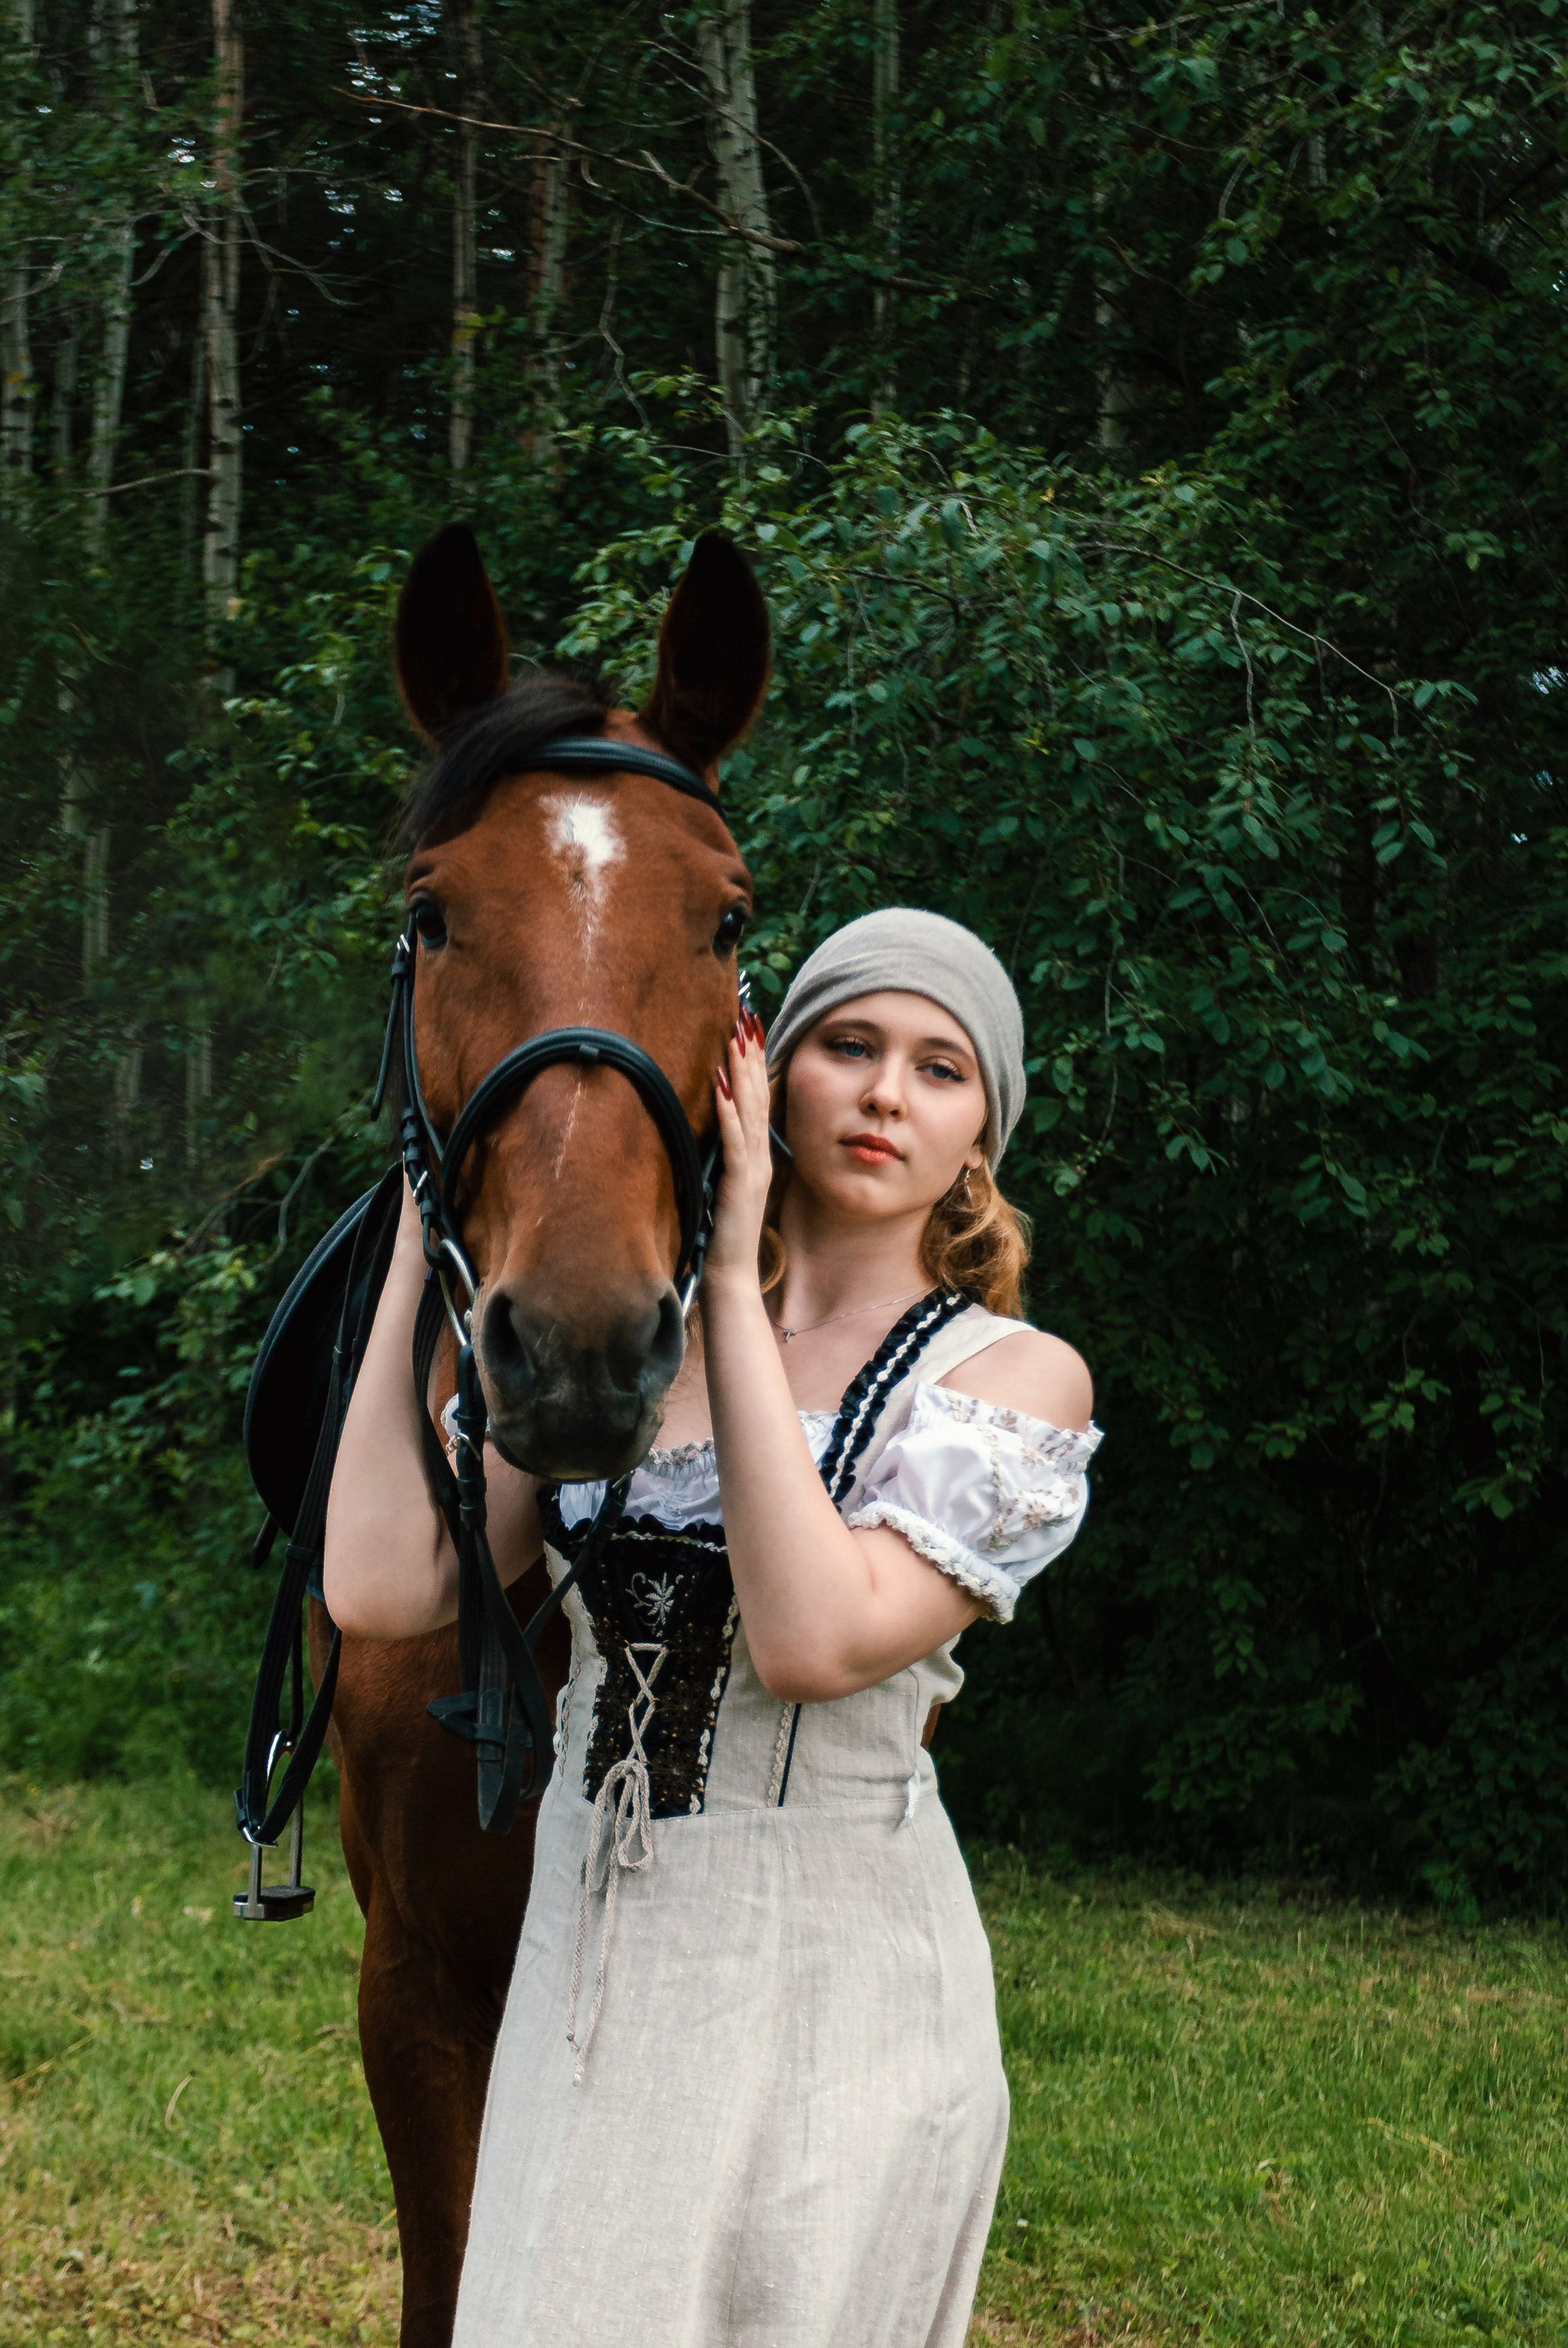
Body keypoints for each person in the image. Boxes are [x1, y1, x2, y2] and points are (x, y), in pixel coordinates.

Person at [324, 906, 1099, 2348]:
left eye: (941, 1070)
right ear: (757, 1070)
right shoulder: (626, 1348)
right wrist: (420, 1243)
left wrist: (732, 1275)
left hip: (829, 1985)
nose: (883, 1093)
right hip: (589, 1963)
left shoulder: (1012, 1382)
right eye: (849, 1045)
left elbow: (810, 1641)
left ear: (980, 1135)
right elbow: (383, 1584)